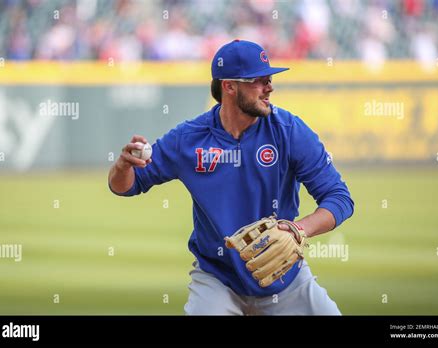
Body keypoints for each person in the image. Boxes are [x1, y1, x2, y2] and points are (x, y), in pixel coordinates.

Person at [108, 39, 354, 315]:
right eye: (258, 80)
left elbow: (339, 198)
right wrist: (122, 167)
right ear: (229, 86)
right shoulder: (188, 139)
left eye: (269, 79)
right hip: (217, 280)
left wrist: (300, 229)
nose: (269, 87)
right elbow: (128, 186)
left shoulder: (289, 131)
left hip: (286, 279)